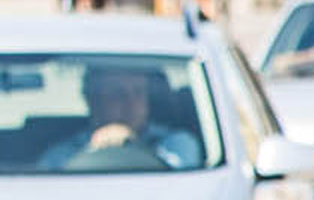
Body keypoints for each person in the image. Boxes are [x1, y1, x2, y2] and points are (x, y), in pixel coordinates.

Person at [42, 63, 204, 169]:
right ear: (93, 100)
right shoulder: (62, 154)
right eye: (117, 94)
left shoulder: (177, 143)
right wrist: (94, 151)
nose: (131, 103)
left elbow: (179, 184)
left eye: (138, 92)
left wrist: (130, 145)